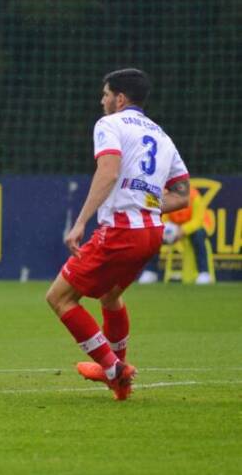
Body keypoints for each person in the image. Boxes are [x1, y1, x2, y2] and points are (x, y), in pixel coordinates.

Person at [45, 68, 189, 400]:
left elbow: (108, 170)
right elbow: (181, 193)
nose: (102, 100)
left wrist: (81, 221)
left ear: (120, 99)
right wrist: (148, 204)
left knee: (59, 298)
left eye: (105, 94)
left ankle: (113, 369)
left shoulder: (110, 124)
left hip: (122, 230)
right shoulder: (162, 136)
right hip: (151, 231)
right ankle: (117, 374)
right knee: (110, 296)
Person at [138, 186, 213, 284]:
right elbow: (163, 217)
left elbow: (197, 221)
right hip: (175, 228)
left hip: (199, 226)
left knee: (198, 235)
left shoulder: (194, 195)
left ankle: (204, 273)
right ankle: (151, 271)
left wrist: (182, 230)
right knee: (155, 235)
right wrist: (167, 229)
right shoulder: (165, 195)